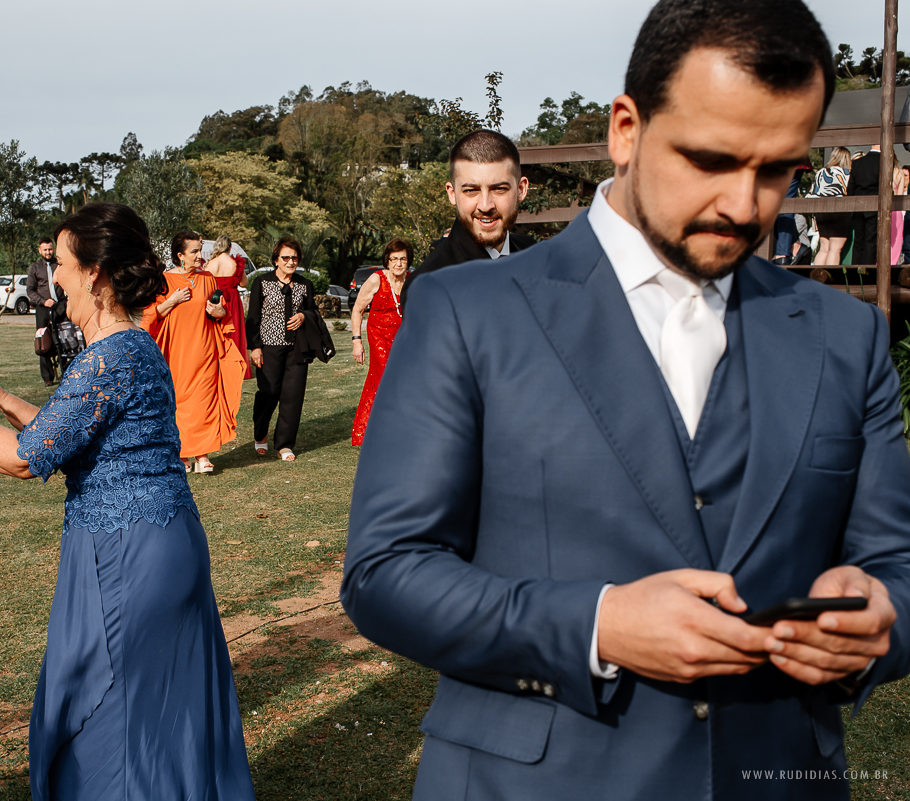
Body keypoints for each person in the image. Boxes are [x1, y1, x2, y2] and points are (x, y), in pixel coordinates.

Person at [341, 2, 910, 799]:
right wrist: (598, 622)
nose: (744, 207)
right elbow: (384, 571)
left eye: (777, 168)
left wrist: (881, 620)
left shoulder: (845, 337)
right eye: (710, 160)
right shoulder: (471, 313)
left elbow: (897, 562)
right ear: (626, 130)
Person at [0, 202, 256, 801]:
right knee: (154, 709)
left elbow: (27, 458)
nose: (52, 275)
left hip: (127, 554)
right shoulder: (131, 346)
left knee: (115, 716)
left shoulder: (109, 357)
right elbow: (68, 437)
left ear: (96, 275)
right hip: (159, 539)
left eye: (60, 264)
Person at [140, 231, 245, 473]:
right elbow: (148, 317)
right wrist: (172, 301)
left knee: (204, 402)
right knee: (180, 403)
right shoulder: (164, 281)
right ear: (180, 256)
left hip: (206, 349)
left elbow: (222, 312)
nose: (200, 255)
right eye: (194, 251)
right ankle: (183, 454)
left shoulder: (208, 278)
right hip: (176, 352)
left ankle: (203, 455)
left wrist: (220, 313)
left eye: (201, 250)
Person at [400, 129, 534, 306]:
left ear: (521, 189)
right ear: (452, 194)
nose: (485, 206)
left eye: (499, 189)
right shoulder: (428, 286)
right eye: (471, 191)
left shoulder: (534, 253)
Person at [246, 236, 316, 461]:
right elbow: (253, 317)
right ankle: (260, 433)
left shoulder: (305, 285)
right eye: (286, 257)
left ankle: (284, 444)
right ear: (276, 259)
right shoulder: (262, 282)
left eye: (294, 258)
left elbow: (313, 311)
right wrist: (255, 347)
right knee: (268, 393)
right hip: (269, 347)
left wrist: (304, 316)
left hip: (297, 348)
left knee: (293, 396)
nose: (290, 261)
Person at [350, 238, 409, 446]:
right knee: (386, 377)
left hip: (403, 338)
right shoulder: (376, 279)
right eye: (394, 259)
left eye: (402, 259)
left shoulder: (411, 280)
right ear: (387, 260)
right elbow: (357, 309)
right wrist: (357, 341)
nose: (398, 264)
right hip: (378, 337)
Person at [204, 234, 252, 379]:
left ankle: (219, 364)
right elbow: (244, 284)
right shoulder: (235, 263)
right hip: (232, 300)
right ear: (230, 247)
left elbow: (205, 284)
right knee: (234, 332)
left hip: (217, 298)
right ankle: (236, 365)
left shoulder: (210, 263)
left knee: (216, 332)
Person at [26, 238, 65, 386]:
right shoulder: (35, 268)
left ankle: (66, 372)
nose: (48, 252)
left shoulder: (60, 265)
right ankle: (48, 377)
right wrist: (43, 301)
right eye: (45, 250)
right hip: (43, 308)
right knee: (43, 342)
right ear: (40, 250)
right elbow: (30, 290)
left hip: (61, 306)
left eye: (50, 249)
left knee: (64, 338)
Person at [810, 147, 851, 265]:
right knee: (835, 249)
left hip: (821, 212)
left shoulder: (821, 172)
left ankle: (817, 277)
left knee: (823, 249)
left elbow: (813, 192)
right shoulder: (846, 173)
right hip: (839, 212)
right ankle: (829, 278)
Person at [848, 145, 880, 265]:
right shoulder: (884, 161)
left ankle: (855, 271)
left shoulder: (858, 163)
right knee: (871, 241)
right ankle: (867, 271)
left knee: (858, 240)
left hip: (858, 205)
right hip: (875, 204)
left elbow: (850, 186)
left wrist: (851, 204)